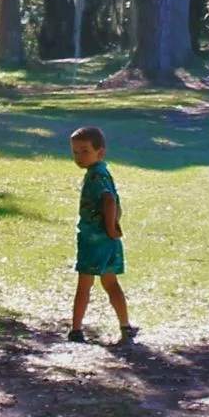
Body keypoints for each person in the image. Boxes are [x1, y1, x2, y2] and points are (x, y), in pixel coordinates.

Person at [68, 125, 138, 346]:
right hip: (107, 240)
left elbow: (108, 200)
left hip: (94, 239)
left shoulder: (96, 176)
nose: (79, 157)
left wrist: (109, 227)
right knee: (111, 282)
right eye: (75, 152)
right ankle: (125, 326)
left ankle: (76, 329)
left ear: (100, 152)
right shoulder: (102, 172)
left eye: (85, 151)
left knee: (84, 283)